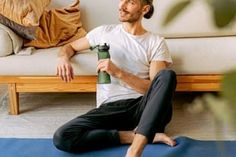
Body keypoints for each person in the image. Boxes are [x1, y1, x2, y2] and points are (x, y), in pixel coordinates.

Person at [53, 0, 177, 156]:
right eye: (121, 0)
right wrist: (62, 58)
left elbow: (154, 88)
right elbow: (69, 47)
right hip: (110, 108)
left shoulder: (156, 42)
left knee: (167, 75)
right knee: (62, 137)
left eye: (130, 2)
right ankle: (135, 136)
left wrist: (119, 73)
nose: (122, 6)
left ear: (144, 9)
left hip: (144, 109)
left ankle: (134, 150)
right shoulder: (104, 32)